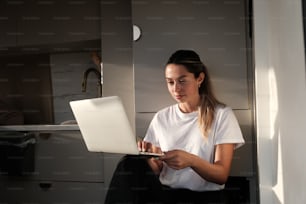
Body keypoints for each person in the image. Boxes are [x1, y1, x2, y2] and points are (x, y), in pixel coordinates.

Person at [105, 50, 245, 204]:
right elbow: (156, 170)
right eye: (170, 82)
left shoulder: (222, 115)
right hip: (166, 195)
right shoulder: (161, 117)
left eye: (182, 81)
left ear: (200, 78)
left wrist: (191, 160)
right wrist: (152, 158)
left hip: (205, 198)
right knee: (130, 162)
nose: (176, 89)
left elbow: (221, 175)